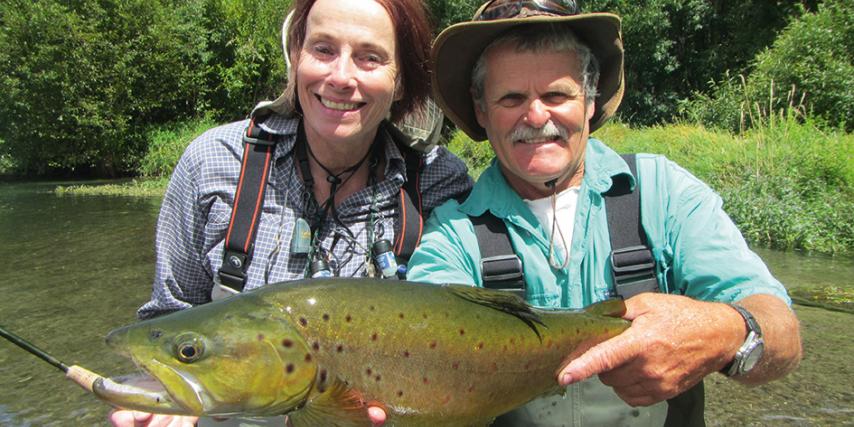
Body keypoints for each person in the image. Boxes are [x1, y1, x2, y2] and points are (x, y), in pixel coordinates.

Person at [401, 0, 803, 425]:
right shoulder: (453, 231)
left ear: (590, 101)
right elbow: (424, 348)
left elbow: (782, 332)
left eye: (557, 94)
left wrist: (727, 332)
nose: (536, 115)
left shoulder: (664, 193)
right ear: (482, 112)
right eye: (511, 98)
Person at [109, 0, 471, 426]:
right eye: (322, 49)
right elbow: (170, 318)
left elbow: (464, 340)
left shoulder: (438, 180)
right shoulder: (214, 164)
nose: (340, 77)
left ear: (401, 82)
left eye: (369, 58)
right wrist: (162, 402)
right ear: (295, 58)